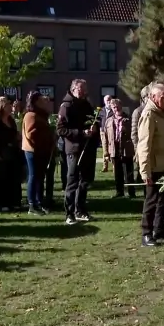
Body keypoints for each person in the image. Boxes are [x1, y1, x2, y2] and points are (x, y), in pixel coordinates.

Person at [137, 83, 164, 246]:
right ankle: (146, 233)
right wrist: (145, 172)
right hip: (155, 166)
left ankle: (159, 229)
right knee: (152, 201)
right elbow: (144, 145)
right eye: (163, 98)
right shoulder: (149, 114)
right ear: (152, 98)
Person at [57, 79, 99, 224]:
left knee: (84, 181)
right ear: (74, 89)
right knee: (72, 180)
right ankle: (69, 213)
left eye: (85, 88)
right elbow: (61, 129)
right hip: (74, 148)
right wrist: (81, 133)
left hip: (87, 147)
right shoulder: (66, 105)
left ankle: (80, 210)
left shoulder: (86, 104)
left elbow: (94, 119)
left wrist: (94, 128)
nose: (84, 91)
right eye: (81, 88)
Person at [22, 91, 55, 215]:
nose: (45, 103)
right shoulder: (31, 115)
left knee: (40, 177)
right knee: (33, 176)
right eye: (42, 101)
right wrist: (46, 135)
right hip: (33, 151)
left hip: (42, 151)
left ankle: (39, 202)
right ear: (36, 102)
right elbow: (31, 134)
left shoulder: (41, 115)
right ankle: (32, 204)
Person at [0, 96, 23, 212]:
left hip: (13, 152)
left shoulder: (11, 120)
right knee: (1, 179)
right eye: (8, 105)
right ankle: (2, 203)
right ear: (2, 107)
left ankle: (14, 202)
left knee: (13, 178)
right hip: (2, 152)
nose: (10, 107)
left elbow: (15, 134)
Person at [101, 98, 136, 198]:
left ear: (121, 106)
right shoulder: (108, 121)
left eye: (117, 106)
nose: (115, 109)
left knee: (128, 172)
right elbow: (105, 138)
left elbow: (134, 134)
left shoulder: (128, 119)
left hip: (126, 149)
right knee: (117, 172)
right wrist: (106, 152)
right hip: (114, 149)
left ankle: (131, 192)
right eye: (113, 107)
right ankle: (119, 192)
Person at [131, 84, 150, 197]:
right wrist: (138, 150)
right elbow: (134, 134)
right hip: (143, 149)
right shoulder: (138, 112)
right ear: (144, 97)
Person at [100, 94, 113, 173]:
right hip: (103, 131)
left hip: (111, 131)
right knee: (105, 148)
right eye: (107, 100)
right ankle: (105, 166)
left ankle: (114, 165)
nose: (108, 101)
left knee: (111, 147)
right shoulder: (101, 110)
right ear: (104, 101)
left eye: (109, 99)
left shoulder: (114, 109)